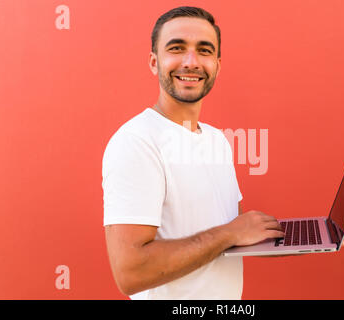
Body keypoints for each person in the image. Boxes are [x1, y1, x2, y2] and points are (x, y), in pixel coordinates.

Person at [102, 6, 285, 300]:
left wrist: (280, 241)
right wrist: (230, 233)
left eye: (204, 50)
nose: (191, 62)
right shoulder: (136, 142)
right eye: (176, 48)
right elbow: (131, 273)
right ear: (154, 62)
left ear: (217, 64)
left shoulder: (218, 140)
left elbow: (230, 236)